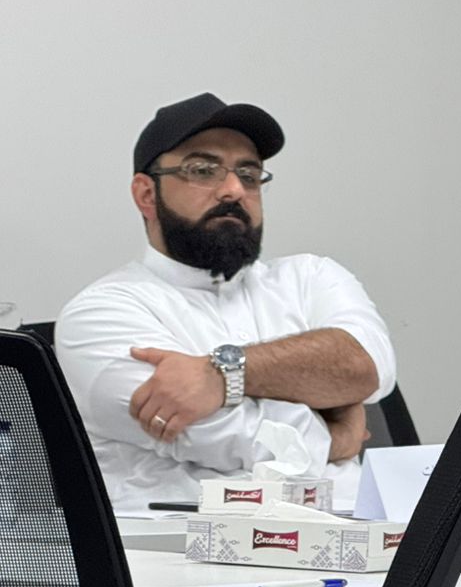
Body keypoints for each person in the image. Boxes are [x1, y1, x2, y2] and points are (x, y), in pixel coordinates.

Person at [56, 93, 395, 511]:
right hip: (180, 545)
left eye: (249, 175)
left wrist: (221, 374)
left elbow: (367, 367)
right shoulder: (101, 312)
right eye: (203, 170)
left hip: (354, 533)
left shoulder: (312, 278)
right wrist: (335, 436)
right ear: (146, 194)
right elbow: (216, 436)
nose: (234, 190)